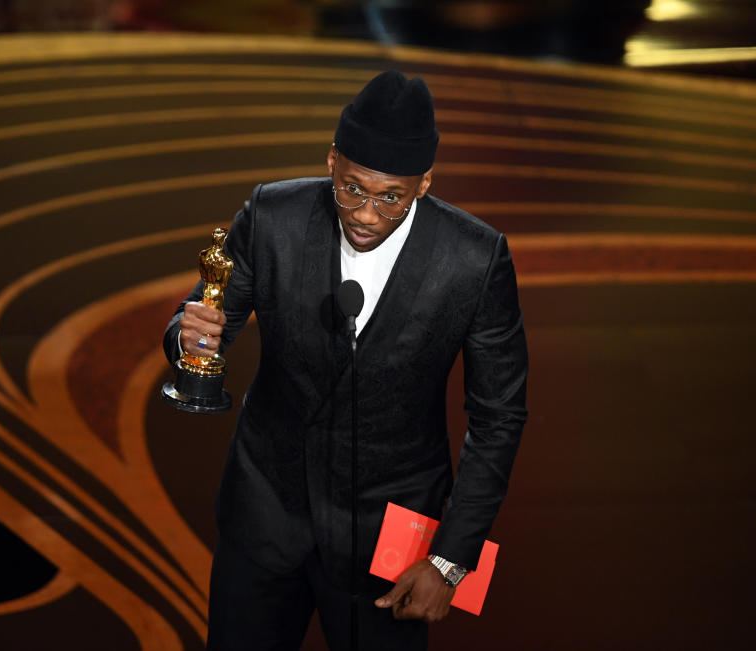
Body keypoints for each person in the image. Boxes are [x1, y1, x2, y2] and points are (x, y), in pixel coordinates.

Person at [162, 70, 528, 650]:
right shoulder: (271, 215)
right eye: (352, 188)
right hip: (263, 521)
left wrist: (450, 562)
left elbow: (498, 418)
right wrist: (189, 336)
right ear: (331, 161)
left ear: (424, 183)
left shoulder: (475, 260)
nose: (365, 213)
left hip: (390, 545)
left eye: (392, 198)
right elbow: (206, 321)